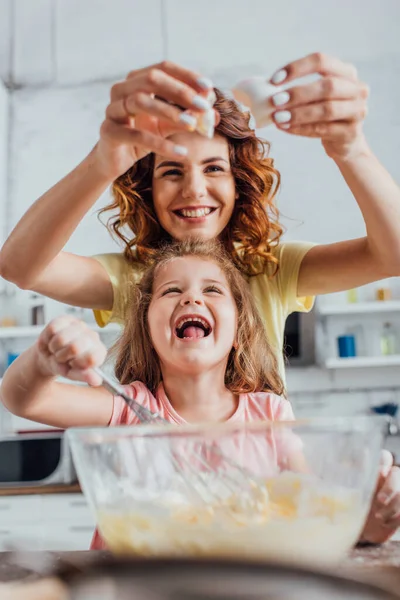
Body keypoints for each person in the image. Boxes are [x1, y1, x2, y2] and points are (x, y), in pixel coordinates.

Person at [1, 52, 400, 380]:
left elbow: (393, 255)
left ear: (238, 183)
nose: (193, 189)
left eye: (213, 169)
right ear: (147, 191)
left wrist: (352, 149)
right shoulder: (135, 279)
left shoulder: (272, 270)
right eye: (171, 171)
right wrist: (103, 162)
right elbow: (21, 266)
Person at [0, 239, 399, 548]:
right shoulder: (128, 410)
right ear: (148, 330)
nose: (192, 297)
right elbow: (24, 400)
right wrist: (43, 358)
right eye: (171, 291)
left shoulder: (270, 414)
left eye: (213, 290)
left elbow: (316, 517)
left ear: (239, 333)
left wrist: (371, 524)